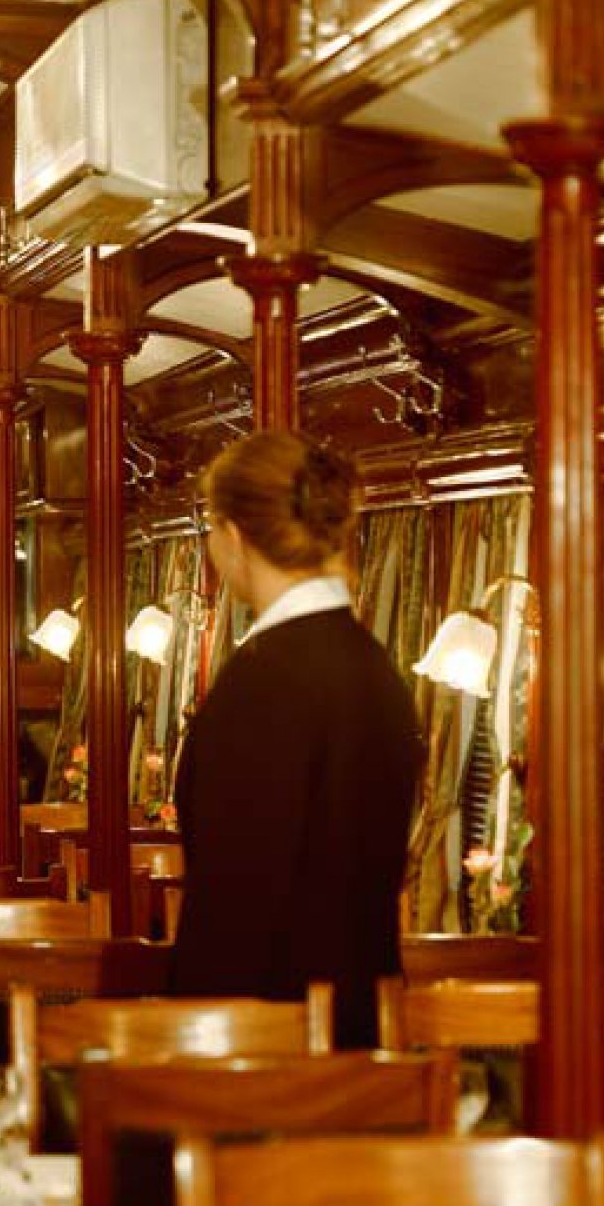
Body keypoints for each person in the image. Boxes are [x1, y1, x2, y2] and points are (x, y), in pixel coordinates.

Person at [169, 430, 423, 1049]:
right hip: (365, 1035)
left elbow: (231, 907)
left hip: (266, 1047)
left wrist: (182, 1049)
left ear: (233, 536)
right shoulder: (379, 670)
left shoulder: (259, 684)